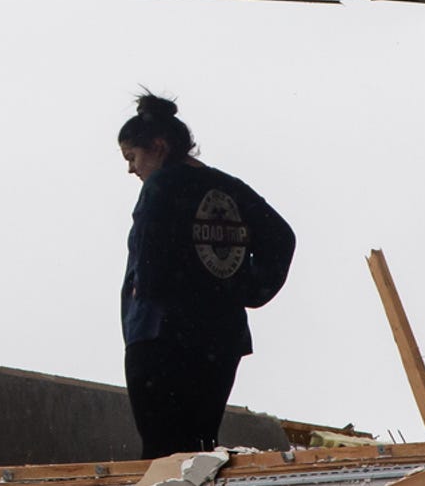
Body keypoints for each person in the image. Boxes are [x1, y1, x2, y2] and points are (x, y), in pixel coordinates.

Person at [116, 93, 295, 459]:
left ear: (159, 147)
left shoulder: (160, 187)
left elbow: (150, 255)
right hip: (219, 340)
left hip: (160, 336)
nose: (131, 170)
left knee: (163, 455)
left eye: (132, 157)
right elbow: (281, 236)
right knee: (200, 449)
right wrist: (247, 287)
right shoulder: (227, 187)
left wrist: (147, 290)